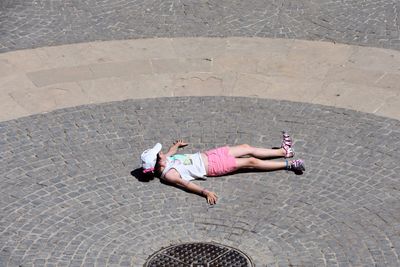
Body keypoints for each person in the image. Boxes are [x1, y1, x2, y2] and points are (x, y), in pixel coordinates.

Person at [140, 132, 305, 205]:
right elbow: (186, 185)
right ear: (157, 163)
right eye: (158, 154)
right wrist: (205, 192)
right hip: (213, 166)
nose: (161, 153)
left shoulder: (165, 159)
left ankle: (284, 151)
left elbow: (170, 152)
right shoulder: (169, 175)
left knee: (246, 147)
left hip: (210, 155)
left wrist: (176, 145)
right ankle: (290, 165)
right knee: (251, 161)